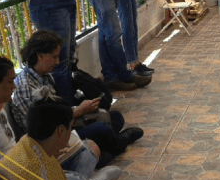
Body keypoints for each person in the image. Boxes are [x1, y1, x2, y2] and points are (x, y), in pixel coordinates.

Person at [0, 55, 116, 180]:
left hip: (33, 159)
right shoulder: (24, 86)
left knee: (90, 146)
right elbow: (0, 169)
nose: (13, 86)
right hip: (23, 174)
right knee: (92, 147)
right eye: (10, 82)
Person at [12, 31, 143, 161]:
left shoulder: (44, 76)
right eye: (54, 57)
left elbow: (57, 111)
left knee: (115, 117)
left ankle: (101, 147)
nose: (57, 62)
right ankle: (118, 142)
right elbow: (43, 132)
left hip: (65, 126)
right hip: (52, 141)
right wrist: (78, 112)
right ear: (40, 56)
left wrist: (80, 110)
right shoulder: (26, 87)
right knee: (103, 129)